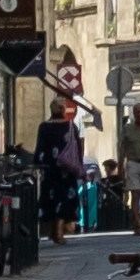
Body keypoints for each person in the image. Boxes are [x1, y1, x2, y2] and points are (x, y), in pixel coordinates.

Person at [36, 98, 88, 232]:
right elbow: (77, 150)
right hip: (67, 169)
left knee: (51, 199)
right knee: (64, 198)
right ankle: (59, 229)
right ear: (63, 110)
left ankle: (55, 229)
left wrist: (37, 164)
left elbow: (40, 148)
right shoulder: (71, 127)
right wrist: (79, 167)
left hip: (50, 169)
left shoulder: (44, 127)